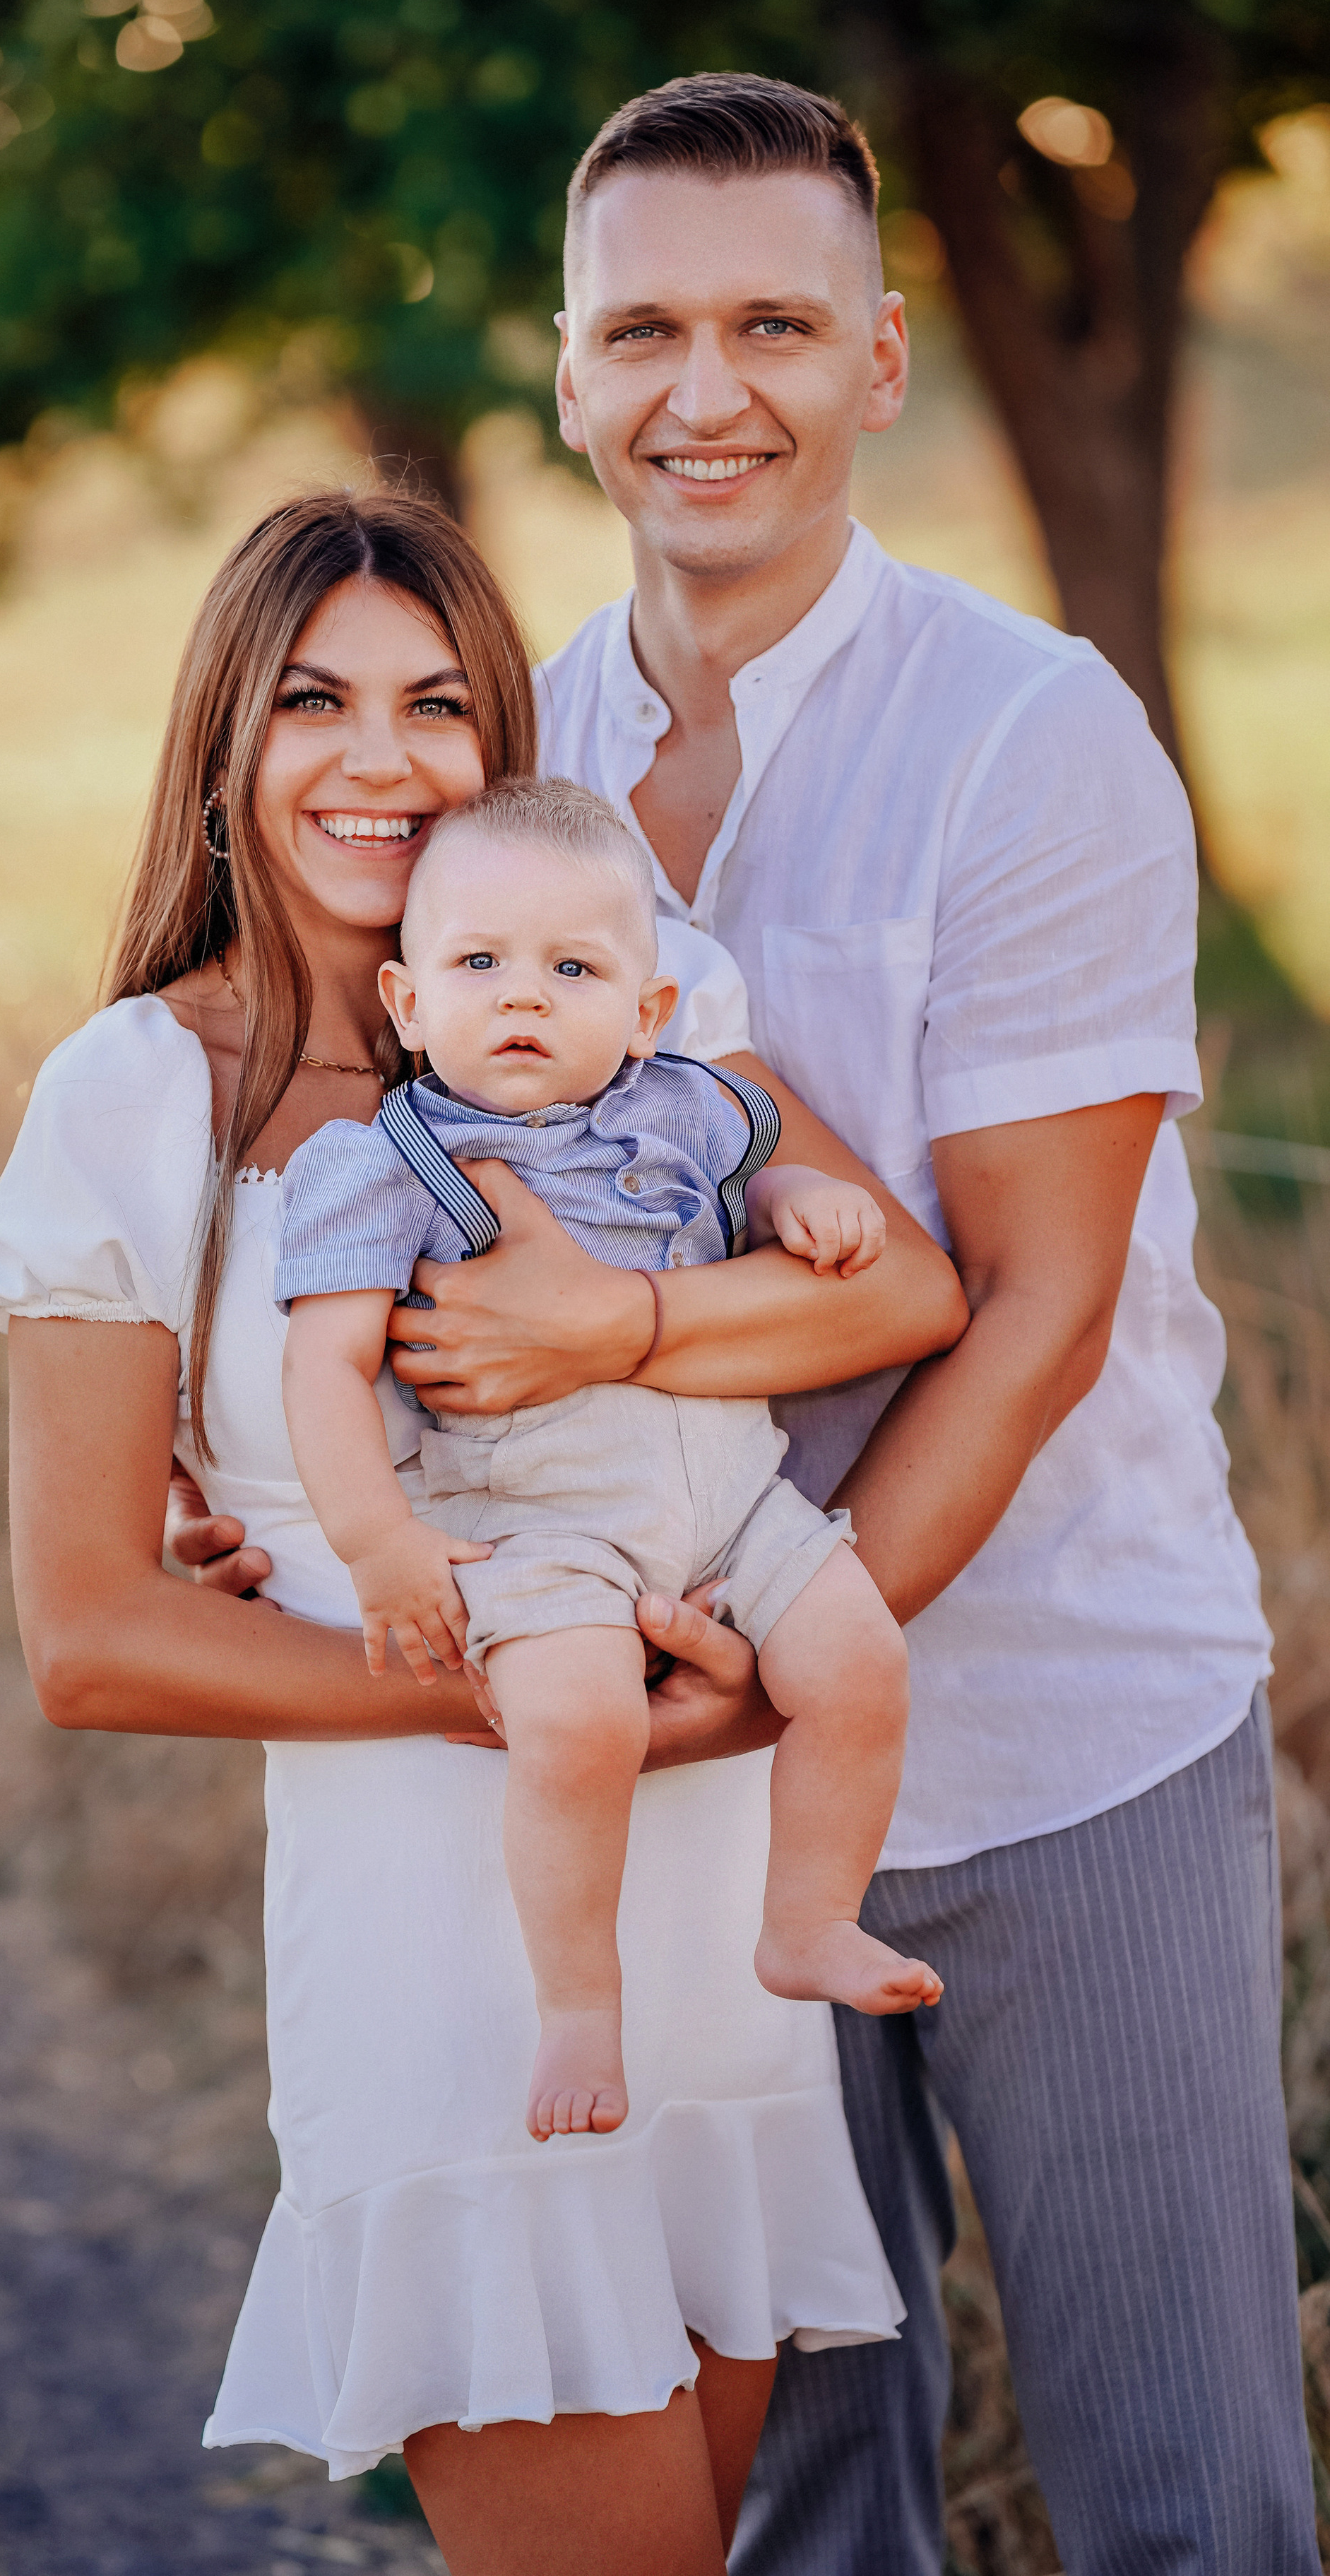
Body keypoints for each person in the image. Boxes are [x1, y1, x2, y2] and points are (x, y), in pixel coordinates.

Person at [0, 489, 967, 2575]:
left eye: (437, 705)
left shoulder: (623, 992)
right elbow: (94, 1638)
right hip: (452, 1971)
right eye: (315, 700)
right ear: (226, 737)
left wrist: (634, 1325)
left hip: (709, 1957)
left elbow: (900, 1291)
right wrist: (506, 1706)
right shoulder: (133, 1098)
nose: (382, 760)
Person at [503, 69, 1310, 2571]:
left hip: (1068, 1730)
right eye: (645, 329)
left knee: (1186, 2496)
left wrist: (784, 1663)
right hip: (685, 1769)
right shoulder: (509, 746)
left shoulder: (1031, 734)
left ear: (877, 359)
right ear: (565, 372)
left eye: (773, 322)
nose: (703, 389)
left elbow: (1045, 1306)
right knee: (801, 2506)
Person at [278, 776, 939, 2146]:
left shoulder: (688, 1108)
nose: (522, 997)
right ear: (407, 1005)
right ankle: (579, 2004)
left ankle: (808, 1918)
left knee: (860, 1664)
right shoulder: (387, 1162)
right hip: (541, 1519)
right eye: (477, 964)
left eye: (570, 968)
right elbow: (325, 1365)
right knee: (579, 1724)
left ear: (644, 1014)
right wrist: (375, 1543)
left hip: (728, 1499)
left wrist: (796, 1196)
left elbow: (748, 1193)